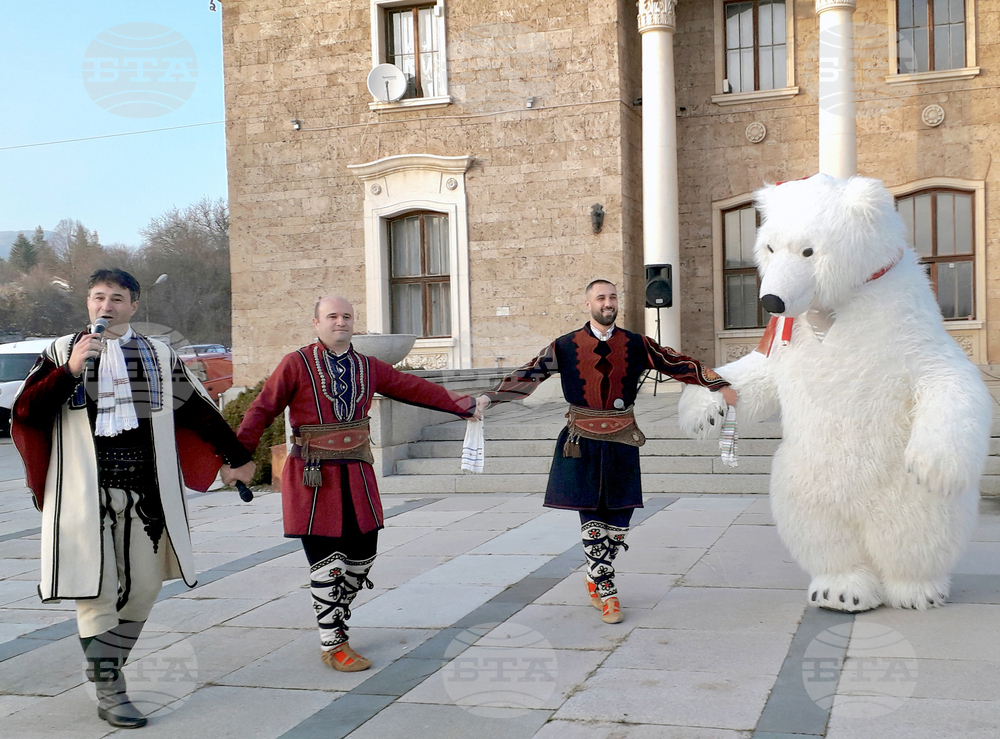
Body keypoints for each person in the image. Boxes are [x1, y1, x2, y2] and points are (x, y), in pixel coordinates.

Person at [11, 269, 255, 729]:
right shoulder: (62, 352)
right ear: (87, 303)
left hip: (147, 490)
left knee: (143, 588)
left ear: (134, 306)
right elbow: (26, 412)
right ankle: (110, 688)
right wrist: (69, 373)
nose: (106, 306)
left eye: (117, 298)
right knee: (95, 589)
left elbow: (196, 409)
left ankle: (105, 664)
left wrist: (236, 455)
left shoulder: (158, 356)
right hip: (84, 492)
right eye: (98, 297)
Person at [236, 296, 487, 672]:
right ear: (316, 322)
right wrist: (238, 458)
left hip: (357, 473)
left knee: (362, 556)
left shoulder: (368, 367)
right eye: (332, 316)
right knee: (327, 561)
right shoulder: (296, 363)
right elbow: (262, 408)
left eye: (347, 316)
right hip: (313, 476)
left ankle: (334, 612)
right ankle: (333, 641)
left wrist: (464, 404)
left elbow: (413, 388)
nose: (340, 322)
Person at [479, 279, 737, 624]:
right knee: (591, 513)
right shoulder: (565, 345)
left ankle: (594, 572)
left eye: (612, 297)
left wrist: (718, 382)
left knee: (620, 522)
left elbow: (677, 363)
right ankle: (606, 588)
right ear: (588, 304)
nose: (608, 302)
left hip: (622, 438)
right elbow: (530, 373)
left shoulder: (636, 343)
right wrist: (488, 398)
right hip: (580, 440)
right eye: (601, 297)